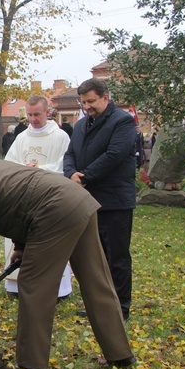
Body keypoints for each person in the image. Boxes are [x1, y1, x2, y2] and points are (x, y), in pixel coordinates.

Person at [0, 153, 135, 369]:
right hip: (78, 200)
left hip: (55, 211)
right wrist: (20, 246)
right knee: (96, 280)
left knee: (33, 284)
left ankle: (31, 365)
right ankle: (120, 353)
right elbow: (21, 200)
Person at [63, 78, 136, 321]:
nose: (87, 106)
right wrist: (70, 173)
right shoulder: (82, 124)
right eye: (83, 102)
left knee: (116, 257)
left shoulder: (122, 121)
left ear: (105, 98)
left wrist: (84, 178)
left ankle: (119, 308)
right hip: (86, 200)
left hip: (114, 201)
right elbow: (70, 152)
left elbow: (115, 155)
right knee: (94, 258)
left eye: (91, 101)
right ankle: (98, 305)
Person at [3, 95, 72, 300]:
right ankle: (17, 287)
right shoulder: (22, 137)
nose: (33, 119)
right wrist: (23, 170)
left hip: (49, 196)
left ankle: (58, 290)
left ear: (47, 112)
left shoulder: (60, 137)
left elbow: (65, 165)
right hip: (24, 197)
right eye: (30, 115)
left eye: (37, 114)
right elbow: (9, 163)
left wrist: (39, 169)